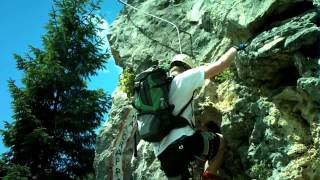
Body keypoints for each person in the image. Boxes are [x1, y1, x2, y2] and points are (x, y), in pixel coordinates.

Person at [154, 45, 245, 180]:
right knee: (220, 142)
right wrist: (235, 48)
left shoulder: (157, 94)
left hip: (163, 157)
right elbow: (221, 64)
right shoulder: (183, 77)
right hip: (184, 143)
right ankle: (208, 176)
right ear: (186, 68)